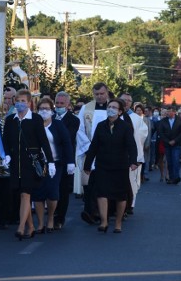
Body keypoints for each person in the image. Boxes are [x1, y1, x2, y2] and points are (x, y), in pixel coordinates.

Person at [2, 89, 54, 240]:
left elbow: (43, 141)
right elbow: (5, 141)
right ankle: (30, 227)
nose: (20, 103)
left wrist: (50, 162)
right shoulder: (10, 119)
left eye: (23, 101)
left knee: (26, 194)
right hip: (15, 162)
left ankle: (20, 227)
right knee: (21, 195)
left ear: (30, 102)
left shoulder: (36, 119)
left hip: (30, 162)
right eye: (17, 100)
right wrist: (6, 156)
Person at [83, 98, 137, 234]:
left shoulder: (125, 127)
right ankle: (104, 221)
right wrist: (88, 164)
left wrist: (133, 161)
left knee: (120, 195)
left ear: (120, 112)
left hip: (120, 166)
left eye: (114, 107)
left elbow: (131, 145)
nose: (110, 109)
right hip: (103, 165)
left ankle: (118, 223)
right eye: (109, 107)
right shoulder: (101, 126)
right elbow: (94, 146)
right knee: (102, 193)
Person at [32, 97, 73, 233]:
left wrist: (70, 162)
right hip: (37, 164)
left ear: (52, 110)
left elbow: (67, 143)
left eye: (47, 109)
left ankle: (50, 218)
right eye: (41, 109)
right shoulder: (32, 124)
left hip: (55, 164)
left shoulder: (57, 125)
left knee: (52, 192)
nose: (44, 111)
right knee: (38, 193)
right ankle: (40, 223)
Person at [76, 82, 110, 225]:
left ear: (107, 92)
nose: (99, 97)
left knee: (104, 184)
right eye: (96, 94)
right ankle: (90, 211)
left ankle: (105, 213)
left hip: (108, 152)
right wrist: (90, 147)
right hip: (90, 151)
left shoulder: (113, 107)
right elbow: (80, 129)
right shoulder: (86, 108)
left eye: (102, 94)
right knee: (90, 183)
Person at [52, 91, 80, 230]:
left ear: (68, 105)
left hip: (64, 160)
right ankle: (51, 216)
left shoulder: (74, 120)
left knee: (62, 191)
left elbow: (67, 137)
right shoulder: (49, 117)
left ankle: (60, 218)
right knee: (50, 190)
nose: (58, 106)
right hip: (50, 159)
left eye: (62, 103)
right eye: (57, 103)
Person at [157, 106, 181, 185]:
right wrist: (167, 141)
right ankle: (171, 178)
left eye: (170, 111)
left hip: (176, 144)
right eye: (167, 111)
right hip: (167, 144)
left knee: (176, 160)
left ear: (174, 112)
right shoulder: (163, 121)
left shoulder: (180, 120)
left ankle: (176, 177)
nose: (168, 113)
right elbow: (161, 132)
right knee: (169, 162)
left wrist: (175, 140)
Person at [129, 103, 148, 214]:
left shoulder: (137, 119)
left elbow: (143, 134)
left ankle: (131, 204)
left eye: (128, 101)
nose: (125, 102)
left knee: (133, 181)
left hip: (134, 155)